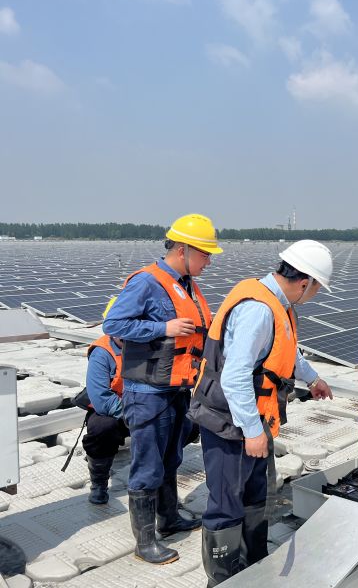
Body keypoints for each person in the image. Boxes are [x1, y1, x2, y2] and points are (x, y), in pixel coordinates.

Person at [188, 240, 334, 586]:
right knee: (226, 504)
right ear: (305, 283)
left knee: (256, 496)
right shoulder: (258, 310)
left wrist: (313, 379)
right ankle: (222, 579)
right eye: (317, 289)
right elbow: (235, 376)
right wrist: (252, 431)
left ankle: (254, 566)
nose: (314, 295)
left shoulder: (277, 304)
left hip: (254, 419)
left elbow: (286, 351)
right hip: (229, 422)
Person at [104, 213, 221, 564]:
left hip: (177, 389)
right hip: (147, 393)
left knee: (171, 459)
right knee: (148, 466)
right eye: (205, 254)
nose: (209, 262)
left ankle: (169, 519)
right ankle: (145, 543)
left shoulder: (187, 284)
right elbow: (114, 324)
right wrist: (162, 329)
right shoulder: (147, 282)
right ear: (183, 250)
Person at [83, 297, 130, 505]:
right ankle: (99, 481)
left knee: (186, 422)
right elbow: (102, 399)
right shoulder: (102, 353)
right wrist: (133, 414)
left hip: (145, 405)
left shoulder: (149, 345)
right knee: (102, 429)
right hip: (115, 409)